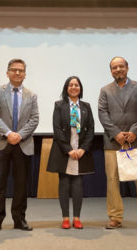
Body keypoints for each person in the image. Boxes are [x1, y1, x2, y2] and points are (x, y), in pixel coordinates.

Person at [98, 56, 137, 231]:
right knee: (112, 180)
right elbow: (102, 113)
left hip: (136, 141)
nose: (118, 70)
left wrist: (134, 131)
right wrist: (116, 133)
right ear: (111, 71)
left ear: (127, 68)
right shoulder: (105, 90)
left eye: (121, 66)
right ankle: (115, 217)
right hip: (113, 142)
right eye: (114, 67)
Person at [0, 58, 39, 233]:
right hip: (1, 142)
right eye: (14, 70)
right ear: (7, 72)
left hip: (22, 144)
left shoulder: (31, 95)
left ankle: (19, 220)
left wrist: (19, 135)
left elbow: (34, 119)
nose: (17, 73)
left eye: (21, 70)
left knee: (21, 185)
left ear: (25, 74)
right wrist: (9, 134)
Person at [47, 76, 95, 229]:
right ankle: (65, 218)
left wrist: (82, 149)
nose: (74, 87)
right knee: (64, 183)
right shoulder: (59, 105)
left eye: (76, 85)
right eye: (70, 85)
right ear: (66, 88)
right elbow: (57, 130)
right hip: (64, 150)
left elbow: (91, 130)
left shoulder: (86, 106)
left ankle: (77, 218)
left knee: (78, 184)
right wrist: (69, 150)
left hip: (81, 150)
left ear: (80, 88)